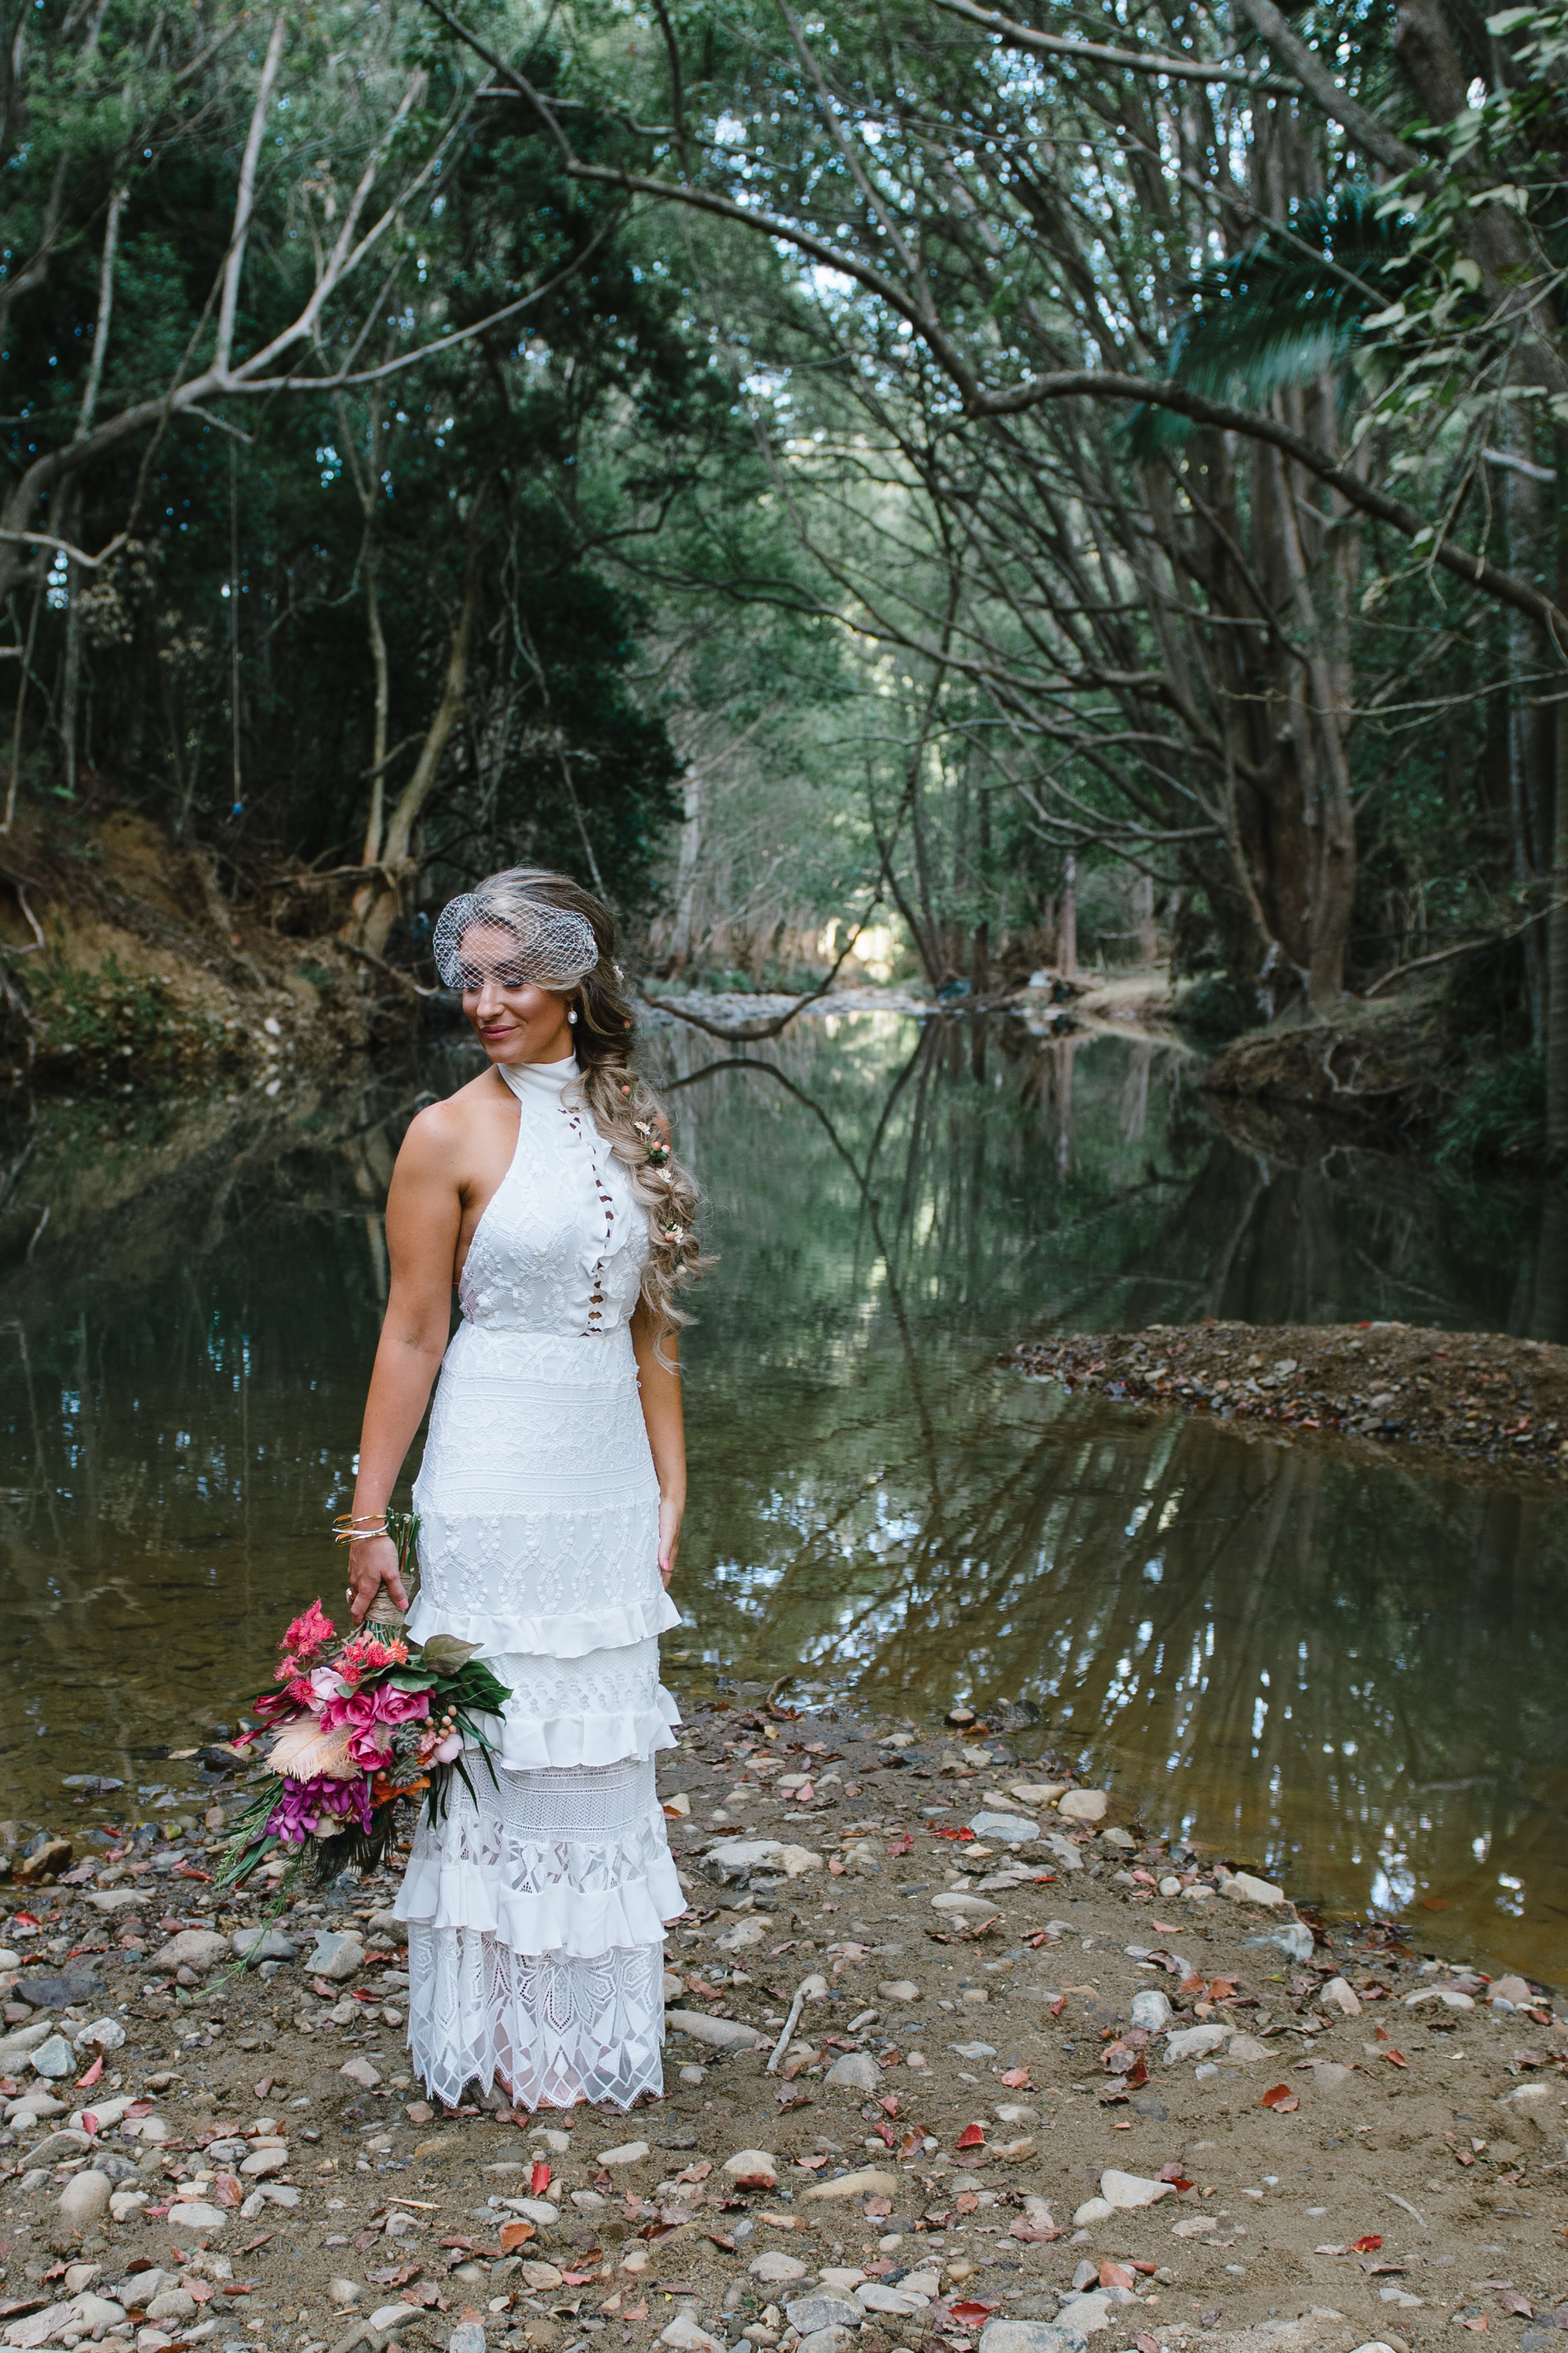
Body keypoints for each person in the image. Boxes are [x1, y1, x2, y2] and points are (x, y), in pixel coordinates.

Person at [340, 866, 703, 2111]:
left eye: (515, 975)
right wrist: (366, 1515)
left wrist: (671, 1481)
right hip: (494, 1472)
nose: (486, 1001)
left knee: (595, 1749)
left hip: (602, 1475)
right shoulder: (444, 1131)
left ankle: (589, 2042)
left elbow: (650, 1324)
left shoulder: (630, 1121)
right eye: (471, 979)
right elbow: (410, 1334)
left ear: (576, 977)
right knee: (498, 1750)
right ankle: (492, 2040)